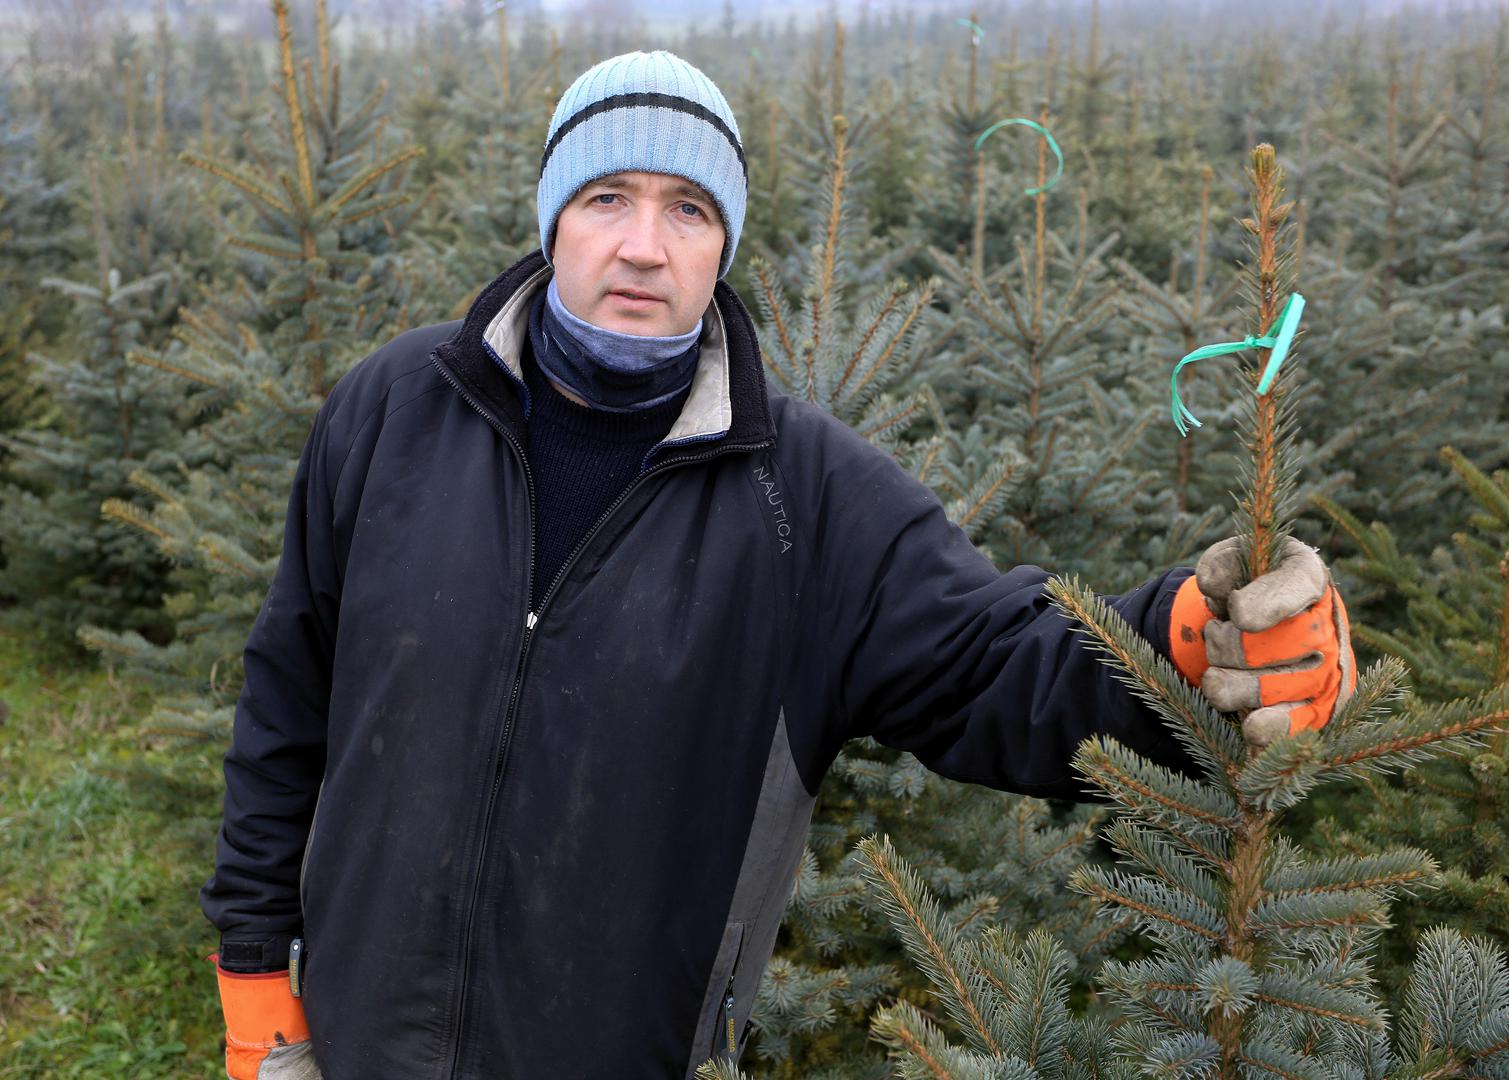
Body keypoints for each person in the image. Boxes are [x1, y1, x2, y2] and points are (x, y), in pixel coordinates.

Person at [203, 50, 1355, 1080]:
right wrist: (256, 978)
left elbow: (994, 663)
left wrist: (1188, 640)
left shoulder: (806, 498)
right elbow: (287, 701)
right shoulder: (394, 411)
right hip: (356, 1043)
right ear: (553, 217)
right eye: (608, 197)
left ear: (725, 244)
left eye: (689, 208)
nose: (643, 244)